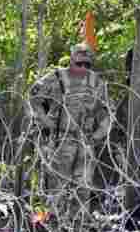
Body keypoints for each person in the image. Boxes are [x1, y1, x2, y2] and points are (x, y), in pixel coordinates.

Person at [28, 43, 113, 212]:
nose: (82, 68)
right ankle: (55, 228)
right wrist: (44, 121)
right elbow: (33, 96)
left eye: (86, 65)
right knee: (56, 186)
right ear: (71, 60)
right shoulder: (56, 78)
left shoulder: (96, 82)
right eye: (78, 63)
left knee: (83, 187)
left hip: (85, 142)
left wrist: (98, 135)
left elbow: (107, 112)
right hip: (60, 140)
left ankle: (78, 229)